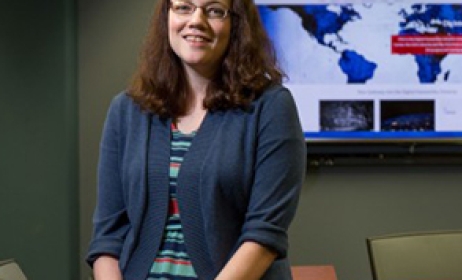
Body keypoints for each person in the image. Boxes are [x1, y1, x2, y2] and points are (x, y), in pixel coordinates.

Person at [85, 0, 306, 278]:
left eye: (214, 10)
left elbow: (264, 235)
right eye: (184, 8)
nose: (196, 21)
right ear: (167, 17)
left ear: (236, 24)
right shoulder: (126, 110)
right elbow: (108, 238)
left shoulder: (271, 107)